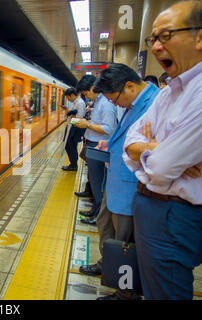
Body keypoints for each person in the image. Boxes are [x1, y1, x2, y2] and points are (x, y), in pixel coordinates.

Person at [123, 0, 202, 300]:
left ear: (199, 38)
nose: (156, 46)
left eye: (165, 36)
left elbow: (160, 168)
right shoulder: (169, 91)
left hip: (173, 214)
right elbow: (129, 142)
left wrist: (155, 153)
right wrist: (153, 148)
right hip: (157, 211)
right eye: (152, 38)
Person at [77, 63, 160, 300]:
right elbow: (124, 134)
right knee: (107, 228)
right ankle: (107, 265)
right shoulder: (135, 103)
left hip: (130, 187)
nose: (114, 104)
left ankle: (124, 292)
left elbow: (152, 148)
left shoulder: (155, 103)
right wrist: (110, 143)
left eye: (114, 99)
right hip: (116, 184)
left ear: (129, 87)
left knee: (124, 242)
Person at [74, 75, 117, 224]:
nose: (86, 97)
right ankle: (94, 210)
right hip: (93, 144)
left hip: (99, 146)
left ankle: (98, 217)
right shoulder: (98, 102)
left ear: (93, 88)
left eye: (86, 93)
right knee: (95, 180)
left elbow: (108, 128)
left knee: (99, 182)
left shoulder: (106, 104)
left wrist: (87, 125)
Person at [61, 88, 86, 171]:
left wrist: (71, 117)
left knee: (71, 146)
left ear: (72, 95)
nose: (68, 99)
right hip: (72, 126)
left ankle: (74, 165)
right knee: (69, 146)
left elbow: (80, 118)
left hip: (75, 128)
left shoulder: (80, 103)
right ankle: (72, 164)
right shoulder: (76, 102)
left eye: (68, 97)